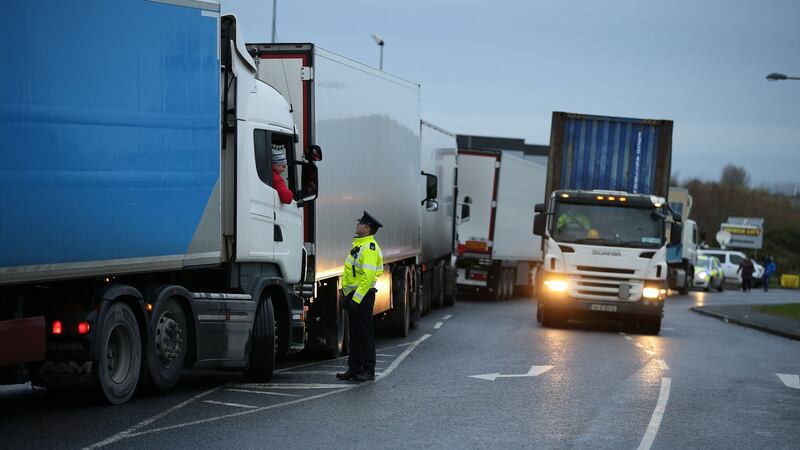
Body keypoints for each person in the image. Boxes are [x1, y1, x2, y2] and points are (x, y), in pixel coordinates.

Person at [337, 211, 384, 382]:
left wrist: (356, 299)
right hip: (354, 295)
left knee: (365, 334)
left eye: (361, 223)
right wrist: (347, 295)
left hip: (362, 297)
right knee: (354, 334)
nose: (357, 225)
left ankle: (368, 370)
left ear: (367, 228)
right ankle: (354, 368)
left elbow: (368, 277)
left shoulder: (370, 248)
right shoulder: (359, 245)